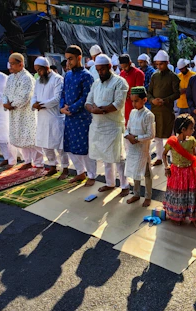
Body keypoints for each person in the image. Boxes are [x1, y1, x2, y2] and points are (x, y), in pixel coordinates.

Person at [85, 54, 130, 196]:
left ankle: (125, 185)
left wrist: (102, 110)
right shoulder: (96, 83)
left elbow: (118, 103)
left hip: (113, 125)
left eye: (102, 69)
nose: (100, 72)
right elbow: (88, 101)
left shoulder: (120, 82)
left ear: (109, 67)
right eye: (98, 70)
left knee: (118, 157)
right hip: (98, 125)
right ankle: (109, 183)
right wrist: (92, 109)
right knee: (105, 157)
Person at [60, 45, 96, 186]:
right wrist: (62, 108)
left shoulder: (87, 76)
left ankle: (91, 175)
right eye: (67, 59)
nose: (68, 62)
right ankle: (80, 173)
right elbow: (63, 93)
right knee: (70, 147)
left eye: (70, 59)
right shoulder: (67, 75)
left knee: (85, 148)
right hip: (69, 117)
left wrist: (72, 108)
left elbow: (86, 97)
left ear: (79, 58)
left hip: (82, 117)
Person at [162, 113, 196, 227]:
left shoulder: (192, 140)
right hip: (176, 172)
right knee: (178, 194)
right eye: (191, 128)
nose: (193, 130)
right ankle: (177, 216)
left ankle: (193, 217)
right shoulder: (171, 142)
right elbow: (164, 154)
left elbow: (194, 156)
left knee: (192, 194)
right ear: (183, 129)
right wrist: (166, 166)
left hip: (190, 171)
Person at [3, 52, 42, 170]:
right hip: (14, 113)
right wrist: (6, 103)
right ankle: (27, 161)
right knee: (20, 138)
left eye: (12, 64)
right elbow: (5, 93)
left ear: (20, 64)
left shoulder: (27, 78)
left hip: (25, 112)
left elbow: (25, 96)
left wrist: (11, 105)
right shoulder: (10, 78)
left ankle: (39, 163)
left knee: (31, 138)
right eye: (9, 64)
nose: (10, 67)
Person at [32, 56, 67, 178]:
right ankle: (53, 166)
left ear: (47, 68)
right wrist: (34, 104)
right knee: (45, 145)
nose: (38, 73)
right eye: (36, 70)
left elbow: (57, 99)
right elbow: (34, 95)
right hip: (42, 118)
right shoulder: (38, 80)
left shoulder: (58, 79)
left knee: (60, 146)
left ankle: (65, 168)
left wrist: (42, 105)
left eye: (40, 70)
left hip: (55, 118)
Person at [147, 50, 180, 166]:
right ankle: (160, 157)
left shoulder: (173, 77)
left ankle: (172, 158)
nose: (159, 66)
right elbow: (149, 92)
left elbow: (177, 94)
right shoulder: (154, 76)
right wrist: (152, 100)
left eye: (161, 64)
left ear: (167, 63)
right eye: (157, 64)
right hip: (155, 109)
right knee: (157, 136)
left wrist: (164, 100)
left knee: (170, 135)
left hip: (167, 110)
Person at [124, 87, 155, 207]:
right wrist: (128, 136)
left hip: (143, 149)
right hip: (132, 148)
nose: (134, 104)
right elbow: (127, 129)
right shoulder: (132, 112)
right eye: (132, 101)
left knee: (146, 173)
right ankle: (136, 194)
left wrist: (136, 138)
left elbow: (151, 134)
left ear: (144, 100)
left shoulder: (149, 115)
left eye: (136, 101)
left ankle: (148, 196)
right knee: (135, 171)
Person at [119, 54, 145, 124]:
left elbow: (138, 90)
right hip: (124, 104)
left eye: (126, 67)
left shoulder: (138, 73)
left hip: (134, 104)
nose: (124, 69)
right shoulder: (122, 73)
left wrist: (128, 95)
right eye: (122, 68)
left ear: (130, 63)